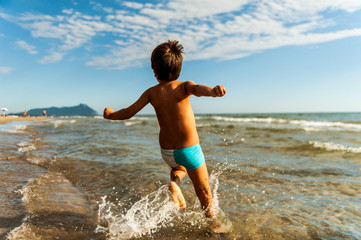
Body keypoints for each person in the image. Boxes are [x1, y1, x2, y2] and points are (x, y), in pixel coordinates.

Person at [103, 40, 226, 222]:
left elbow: (129, 113)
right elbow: (198, 89)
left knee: (179, 168)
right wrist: (213, 91)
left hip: (167, 153)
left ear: (154, 71)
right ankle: (215, 228)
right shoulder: (183, 86)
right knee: (205, 193)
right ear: (179, 68)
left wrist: (110, 115)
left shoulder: (151, 93)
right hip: (189, 150)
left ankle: (175, 183)